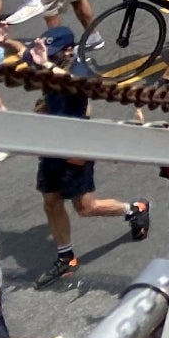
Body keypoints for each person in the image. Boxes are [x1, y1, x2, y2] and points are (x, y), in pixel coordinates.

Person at [24, 29, 149, 281]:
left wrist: (46, 63)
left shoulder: (80, 71)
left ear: (68, 51)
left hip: (75, 147)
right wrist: (5, 41)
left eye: (52, 56)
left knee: (86, 207)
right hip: (52, 145)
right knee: (51, 201)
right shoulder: (50, 63)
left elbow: (76, 85)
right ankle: (65, 256)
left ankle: (134, 209)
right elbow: (26, 54)